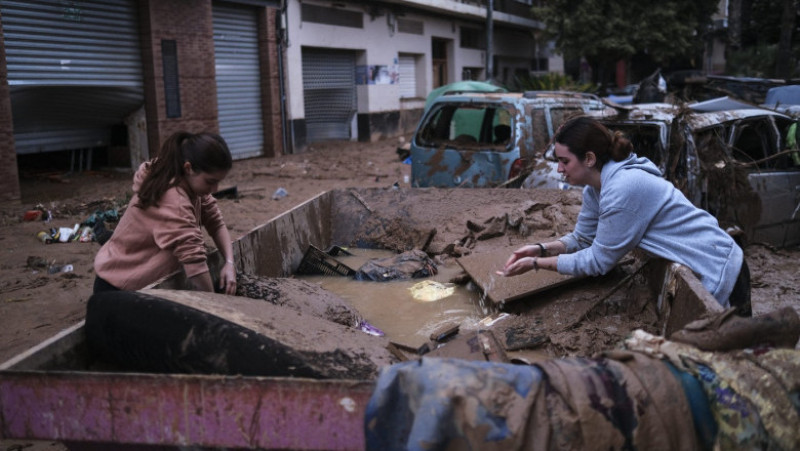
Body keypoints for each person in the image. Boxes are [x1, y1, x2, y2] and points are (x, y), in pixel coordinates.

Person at [499, 116, 751, 315]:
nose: (559, 169)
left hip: (719, 265)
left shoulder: (622, 188)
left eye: (564, 161)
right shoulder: (595, 190)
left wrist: (535, 265)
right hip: (705, 261)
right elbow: (583, 239)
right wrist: (541, 248)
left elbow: (598, 261)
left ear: (589, 158)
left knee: (738, 361)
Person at [93, 131, 237, 295]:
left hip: (134, 276)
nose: (215, 189)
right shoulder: (174, 200)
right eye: (210, 181)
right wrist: (216, 306)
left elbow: (216, 222)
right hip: (120, 286)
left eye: (218, 182)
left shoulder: (188, 182)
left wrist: (229, 263)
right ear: (188, 168)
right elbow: (193, 261)